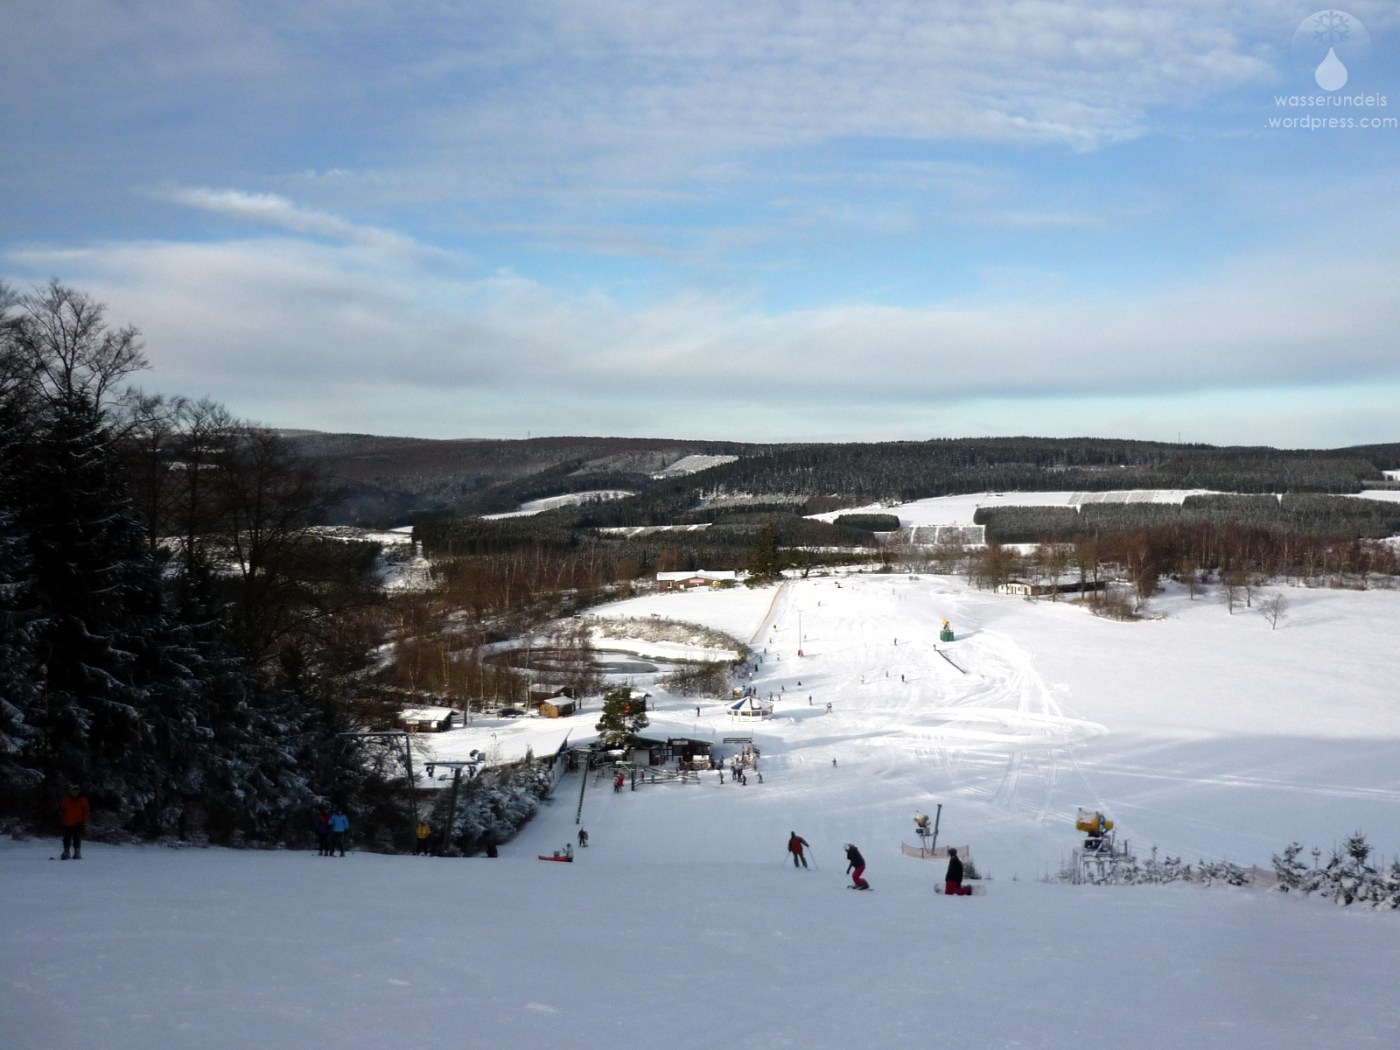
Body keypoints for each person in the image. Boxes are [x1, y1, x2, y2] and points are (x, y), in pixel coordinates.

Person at [60, 785, 90, 860]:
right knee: (66, 838)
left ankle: (77, 852)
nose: (75, 792)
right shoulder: (66, 800)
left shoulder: (83, 800)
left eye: (77, 791)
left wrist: (85, 821)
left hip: (78, 823)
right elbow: (62, 810)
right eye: (73, 790)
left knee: (77, 838)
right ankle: (66, 852)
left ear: (79, 791)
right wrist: (62, 819)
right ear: (71, 791)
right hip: (67, 822)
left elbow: (86, 812)